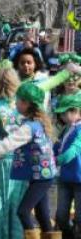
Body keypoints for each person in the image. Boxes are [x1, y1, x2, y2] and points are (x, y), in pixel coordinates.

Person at [0, 82, 59, 239]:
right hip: (42, 175)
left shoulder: (29, 128)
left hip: (41, 178)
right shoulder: (38, 123)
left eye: (17, 100)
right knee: (43, 214)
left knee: (23, 212)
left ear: (26, 103)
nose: (15, 103)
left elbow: (7, 145)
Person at [53, 94, 81, 239]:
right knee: (61, 216)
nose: (62, 116)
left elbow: (74, 150)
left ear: (76, 111)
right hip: (64, 178)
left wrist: (57, 160)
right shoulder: (66, 128)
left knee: (80, 218)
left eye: (65, 113)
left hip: (79, 179)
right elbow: (58, 146)